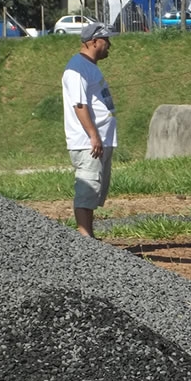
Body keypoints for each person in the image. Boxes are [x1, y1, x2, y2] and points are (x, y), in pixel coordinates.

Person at [62, 21, 117, 239]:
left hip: (99, 141)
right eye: (106, 40)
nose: (110, 45)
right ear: (94, 42)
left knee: (95, 189)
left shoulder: (89, 67)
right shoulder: (77, 69)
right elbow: (80, 105)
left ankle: (89, 237)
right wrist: (93, 135)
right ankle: (85, 237)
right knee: (87, 186)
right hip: (88, 143)